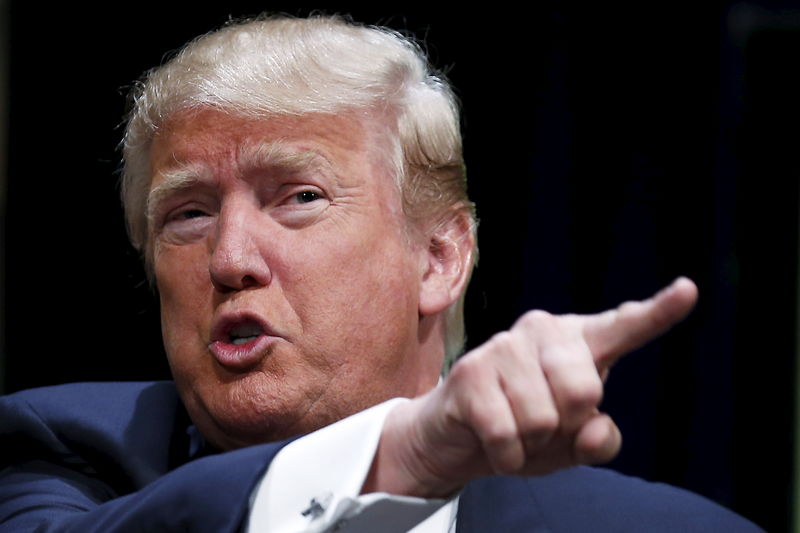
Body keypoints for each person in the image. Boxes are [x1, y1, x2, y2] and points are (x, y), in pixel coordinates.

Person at [0, 14, 762, 532]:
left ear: (439, 257)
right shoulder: (59, 455)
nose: (230, 259)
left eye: (299, 197)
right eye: (188, 214)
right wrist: (401, 456)